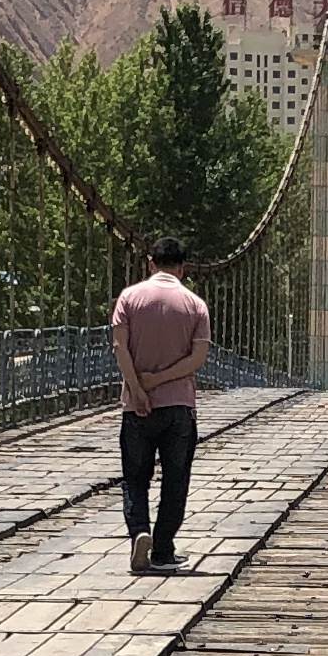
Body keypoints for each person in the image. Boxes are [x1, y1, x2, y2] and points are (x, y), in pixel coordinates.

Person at [112, 235, 211, 574]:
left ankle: (140, 532)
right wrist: (162, 379)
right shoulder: (195, 304)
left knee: (135, 479)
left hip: (135, 408)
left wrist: (139, 389)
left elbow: (120, 348)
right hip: (179, 408)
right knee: (175, 479)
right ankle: (164, 550)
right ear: (183, 268)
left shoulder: (128, 297)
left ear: (150, 264)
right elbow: (197, 358)